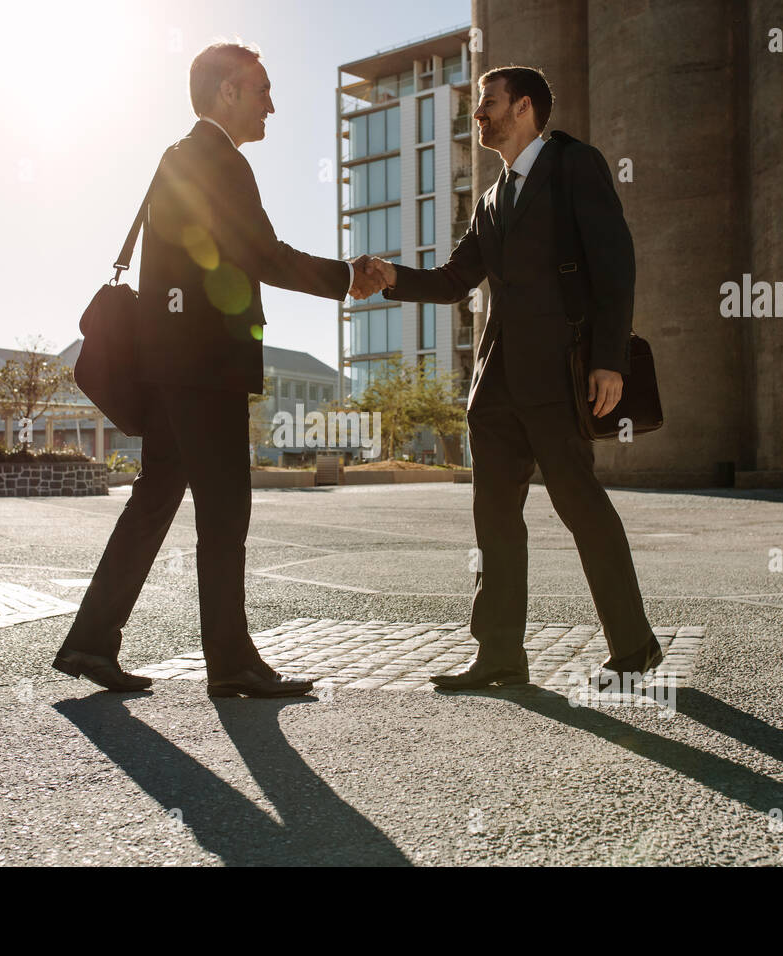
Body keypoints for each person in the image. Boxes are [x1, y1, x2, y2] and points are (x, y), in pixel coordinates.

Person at [54, 41, 384, 698]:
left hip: (172, 366)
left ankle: (91, 642)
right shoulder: (220, 161)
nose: (271, 104)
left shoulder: (176, 156)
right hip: (205, 368)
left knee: (154, 500)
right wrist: (345, 277)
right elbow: (259, 253)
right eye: (261, 89)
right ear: (227, 92)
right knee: (225, 512)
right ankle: (230, 664)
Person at [357, 65, 662, 689]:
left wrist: (609, 359)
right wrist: (393, 277)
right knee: (494, 518)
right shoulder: (493, 196)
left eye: (488, 103)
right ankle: (498, 656)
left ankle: (633, 646)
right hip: (496, 387)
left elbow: (615, 261)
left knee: (582, 506)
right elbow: (452, 280)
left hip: (559, 373)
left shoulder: (575, 164)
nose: (479, 114)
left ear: (524, 108)